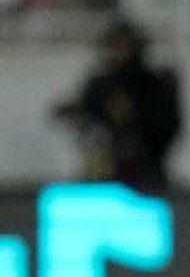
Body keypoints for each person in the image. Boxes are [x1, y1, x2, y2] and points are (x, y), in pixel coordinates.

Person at [50, 19, 183, 193]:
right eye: (113, 46)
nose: (117, 53)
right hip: (104, 171)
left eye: (123, 46)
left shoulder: (154, 84)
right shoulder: (101, 84)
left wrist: (133, 118)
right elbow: (84, 115)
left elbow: (167, 128)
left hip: (146, 172)